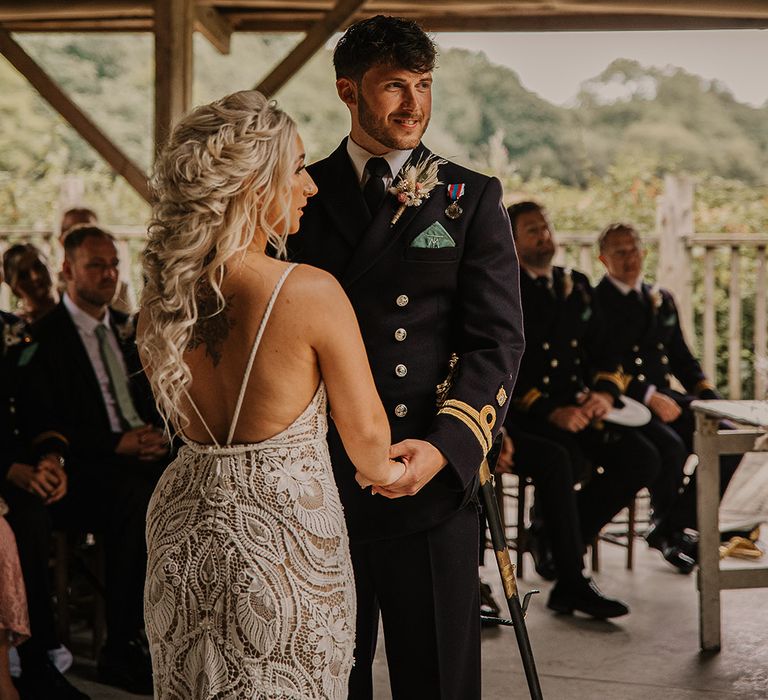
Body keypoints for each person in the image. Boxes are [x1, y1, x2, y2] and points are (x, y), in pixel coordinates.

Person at [139, 90, 406, 700]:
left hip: (182, 527)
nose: (310, 185)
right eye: (296, 168)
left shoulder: (161, 300)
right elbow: (368, 445)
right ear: (255, 186)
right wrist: (401, 467)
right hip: (277, 538)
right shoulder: (309, 291)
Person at [290, 16, 524, 699]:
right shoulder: (300, 191)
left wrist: (450, 446)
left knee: (440, 681)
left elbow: (497, 341)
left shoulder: (468, 196)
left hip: (429, 473)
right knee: (335, 675)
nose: (414, 103)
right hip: (322, 479)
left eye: (423, 84)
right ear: (348, 92)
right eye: (394, 85)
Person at [6, 225, 168, 695]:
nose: (108, 274)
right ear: (67, 271)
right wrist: (117, 444)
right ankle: (121, 646)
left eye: (113, 265)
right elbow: (44, 421)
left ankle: (179, 623)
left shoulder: (123, 329)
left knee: (192, 478)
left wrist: (156, 436)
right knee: (135, 498)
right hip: (81, 470)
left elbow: (143, 400)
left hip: (137, 456)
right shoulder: (42, 337)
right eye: (95, 265)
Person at [506, 201, 661, 614]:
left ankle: (550, 537)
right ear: (512, 240)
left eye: (546, 227)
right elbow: (502, 364)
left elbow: (606, 351)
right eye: (532, 230)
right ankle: (570, 582)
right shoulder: (505, 289)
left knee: (642, 458)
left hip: (577, 408)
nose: (544, 236)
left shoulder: (573, 284)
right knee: (562, 460)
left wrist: (604, 394)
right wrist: (547, 411)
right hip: (524, 415)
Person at [595, 223, 740, 568]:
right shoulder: (597, 300)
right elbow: (598, 362)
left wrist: (710, 397)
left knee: (729, 438)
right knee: (671, 445)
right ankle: (669, 531)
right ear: (603, 259)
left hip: (667, 396)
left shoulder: (660, 298)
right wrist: (647, 396)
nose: (629, 258)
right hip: (623, 402)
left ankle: (672, 524)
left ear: (643, 252)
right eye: (619, 252)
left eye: (634, 250)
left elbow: (682, 359)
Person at [3, 244, 58, 323]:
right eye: (24, 275)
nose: (35, 277)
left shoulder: (76, 308)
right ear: (13, 288)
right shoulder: (16, 328)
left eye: (38, 266)